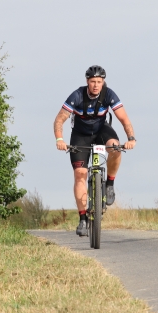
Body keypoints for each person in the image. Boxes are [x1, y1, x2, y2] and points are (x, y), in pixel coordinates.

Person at [53, 65, 136, 236]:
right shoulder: (76, 95)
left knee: (115, 147)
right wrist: (59, 139)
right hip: (80, 135)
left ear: (103, 82)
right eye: (93, 82)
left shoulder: (109, 94)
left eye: (99, 82)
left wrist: (131, 138)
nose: (96, 85)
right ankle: (83, 219)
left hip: (101, 131)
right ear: (87, 82)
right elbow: (59, 119)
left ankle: (110, 184)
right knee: (80, 174)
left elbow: (124, 119)